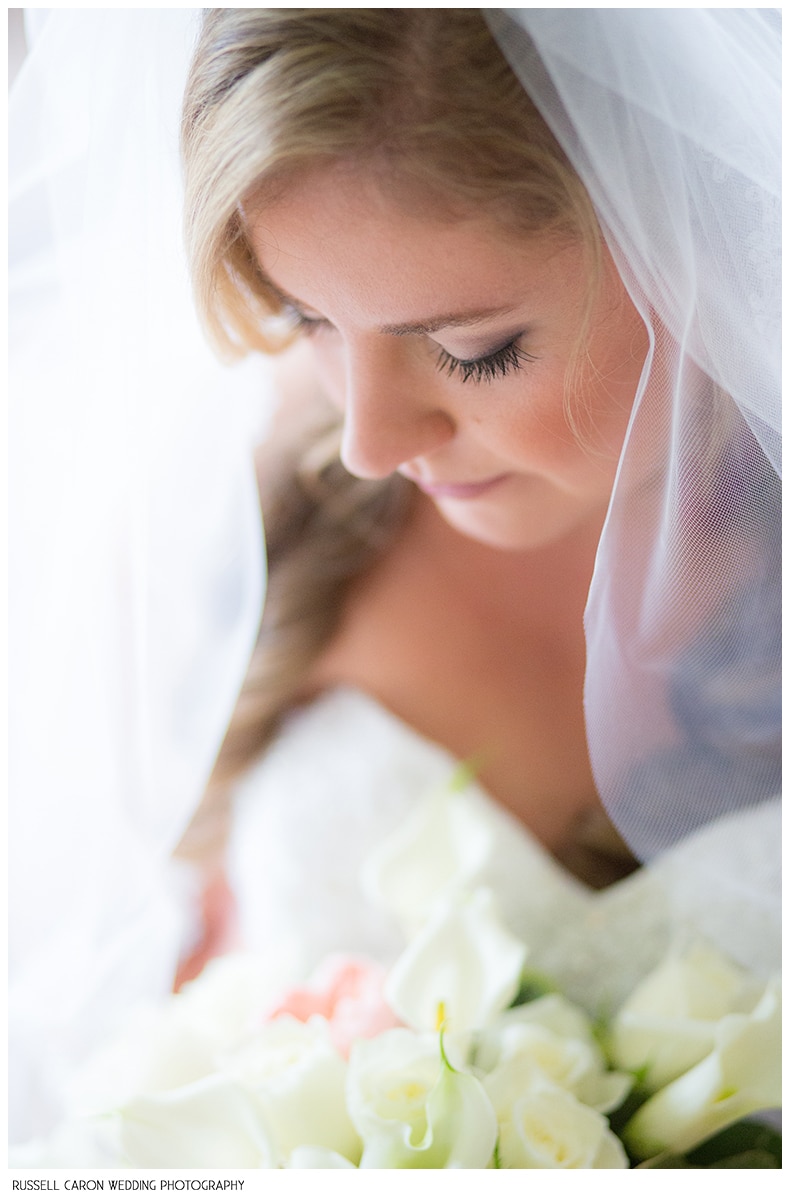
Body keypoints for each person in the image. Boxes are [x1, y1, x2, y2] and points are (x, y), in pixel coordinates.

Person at [9, 7, 780, 1145]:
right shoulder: (259, 537)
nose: (370, 439)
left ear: (703, 223)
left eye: (473, 350)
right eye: (304, 316)